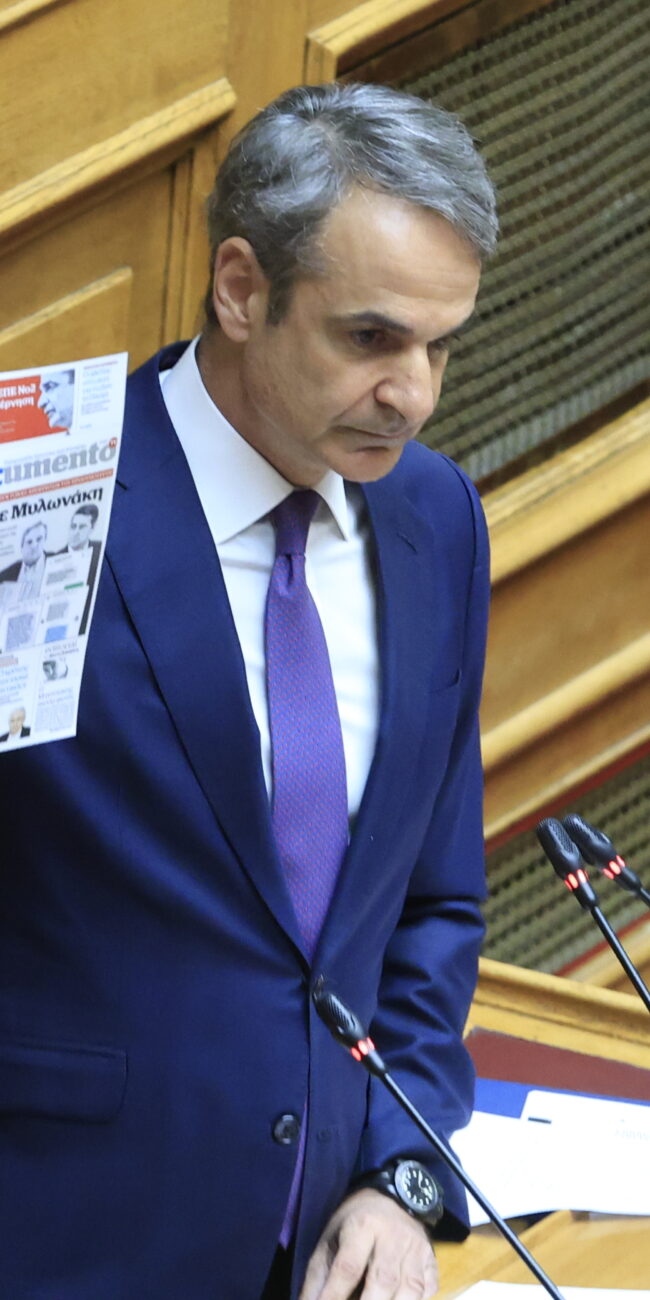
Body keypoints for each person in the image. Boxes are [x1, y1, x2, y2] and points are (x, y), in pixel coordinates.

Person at [0, 83, 497, 1300]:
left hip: (322, 1256)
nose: (413, 394)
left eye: (439, 347)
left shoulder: (435, 514)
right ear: (239, 287)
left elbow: (430, 900)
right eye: (370, 339)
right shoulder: (34, 495)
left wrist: (399, 1175)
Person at [56, 503, 102, 634]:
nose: (76, 532)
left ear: (92, 528)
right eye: (73, 526)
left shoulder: (100, 550)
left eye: (82, 527)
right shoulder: (54, 559)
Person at [0, 520, 50, 600]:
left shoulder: (59, 559)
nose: (34, 546)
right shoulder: (5, 576)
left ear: (45, 539)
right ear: (21, 547)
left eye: (39, 539)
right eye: (29, 542)